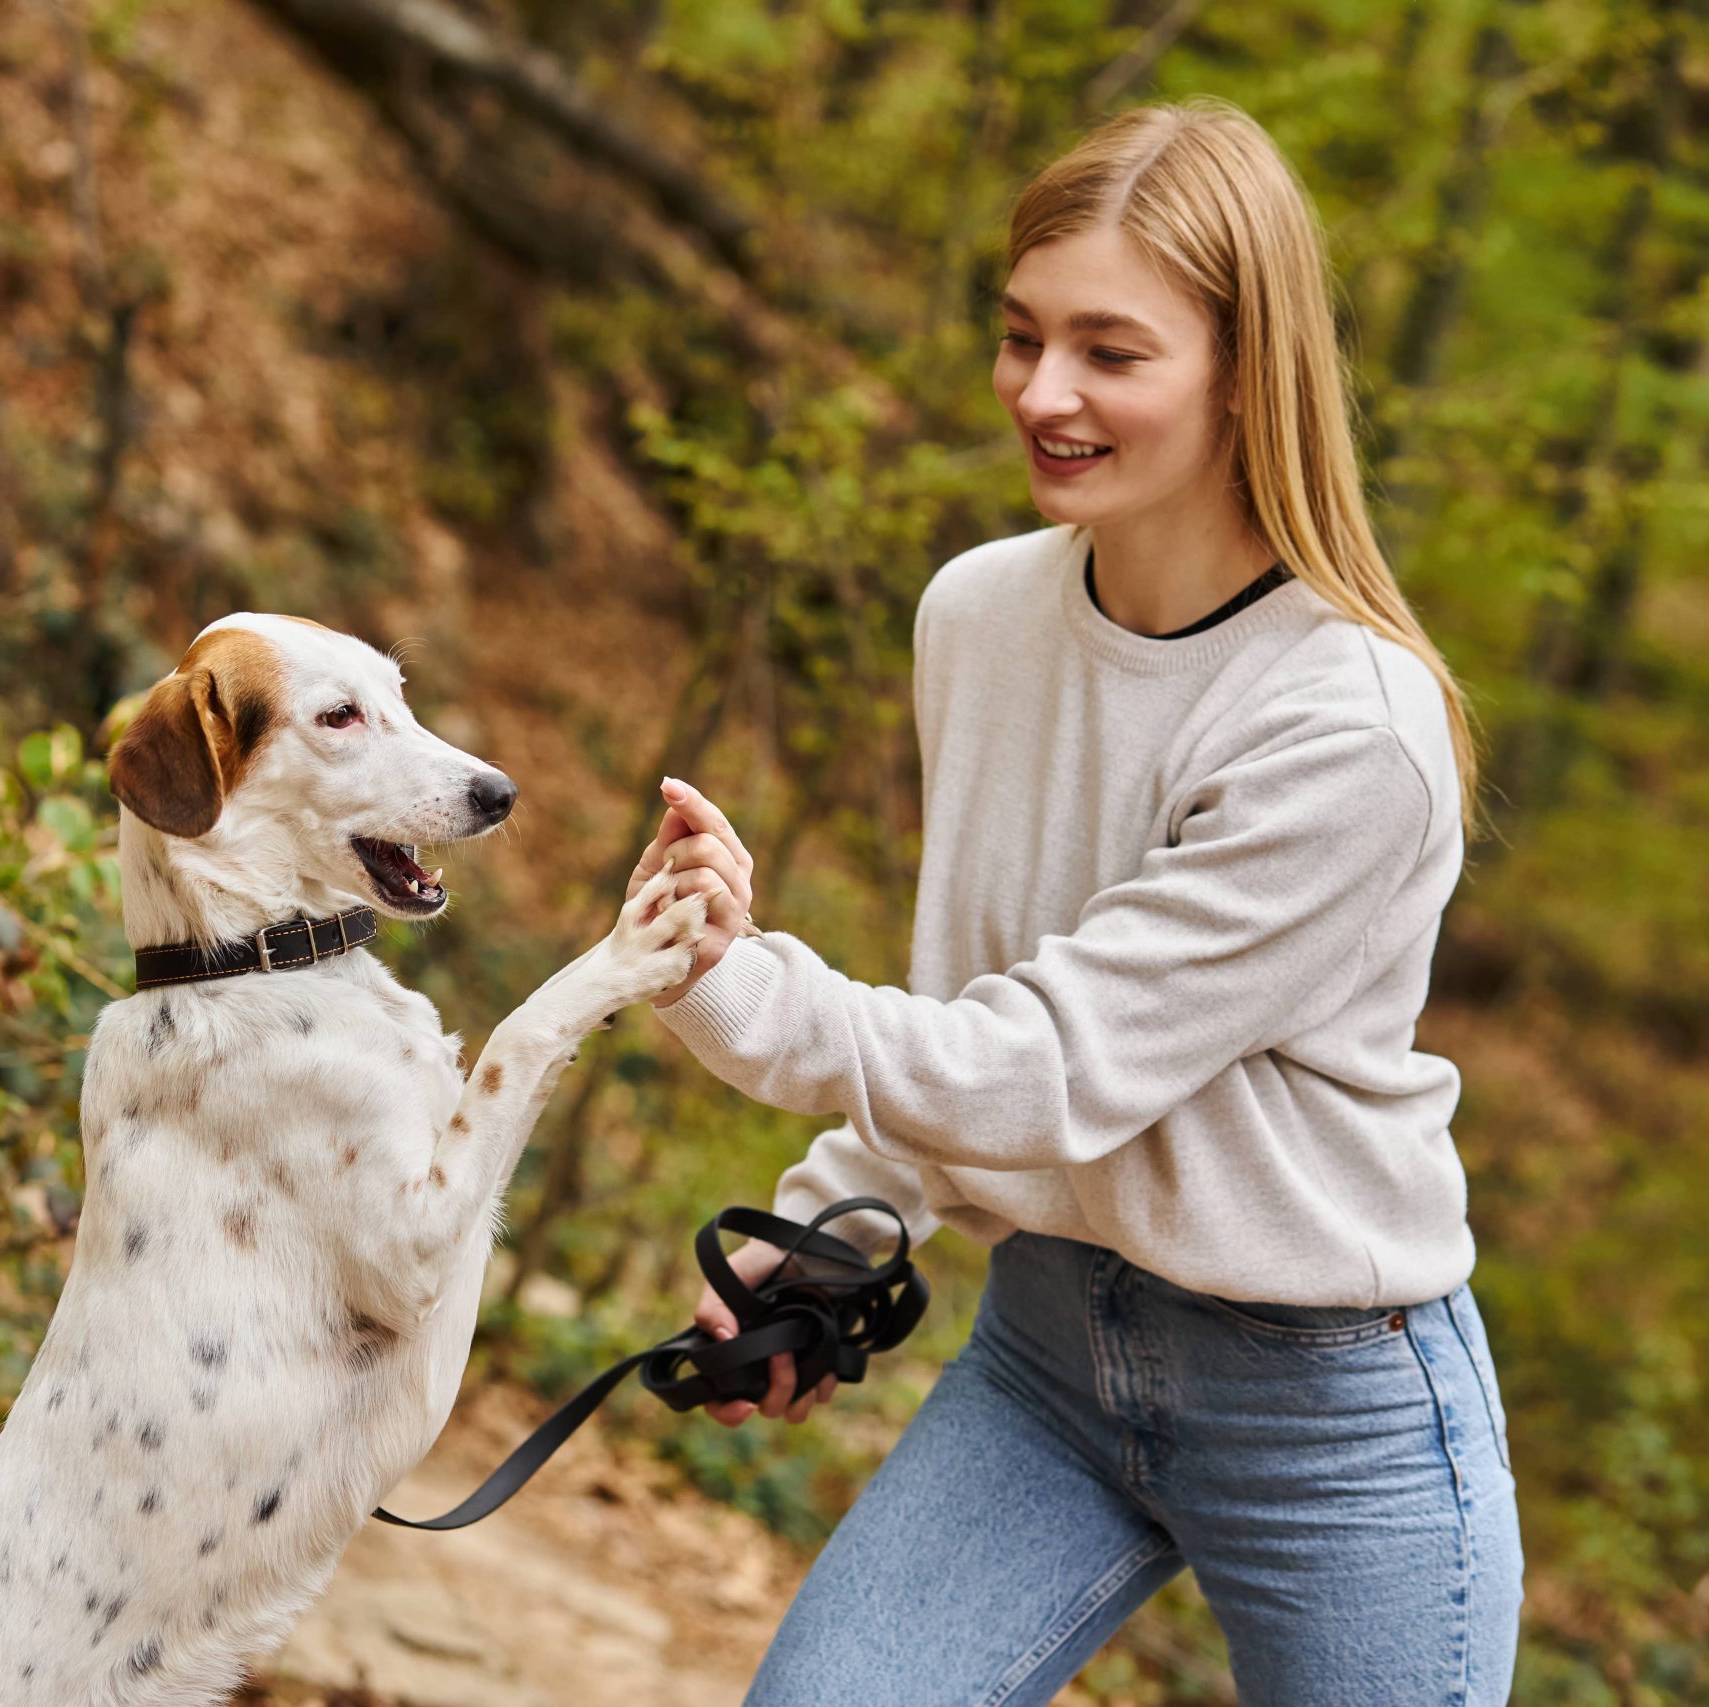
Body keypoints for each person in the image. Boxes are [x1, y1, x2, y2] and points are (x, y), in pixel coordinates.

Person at [627, 100, 1522, 1705]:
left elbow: (1048, 1066)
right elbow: (983, 983)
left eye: (1113, 353)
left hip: (1329, 1409)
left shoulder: (1348, 730)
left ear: (1247, 373)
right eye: (1022, 336)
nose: (1045, 394)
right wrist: (845, 1227)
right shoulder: (980, 615)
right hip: (1051, 1358)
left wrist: (736, 984)